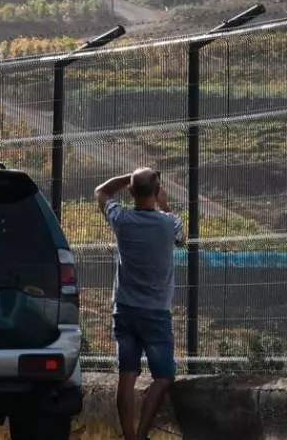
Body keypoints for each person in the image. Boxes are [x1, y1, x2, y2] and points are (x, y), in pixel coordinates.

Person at [94, 167, 186, 440]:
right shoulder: (169, 223)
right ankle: (142, 433)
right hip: (155, 312)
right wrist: (165, 204)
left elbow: (101, 191)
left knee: (127, 374)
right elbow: (182, 240)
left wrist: (129, 177)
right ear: (157, 192)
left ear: (131, 192)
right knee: (163, 376)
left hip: (124, 310)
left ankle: (129, 436)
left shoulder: (121, 219)